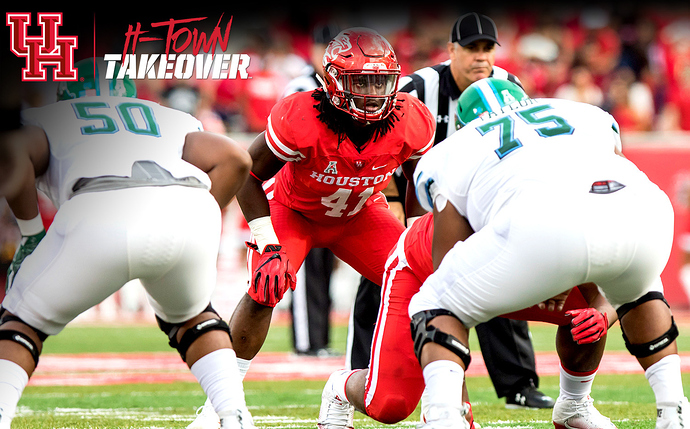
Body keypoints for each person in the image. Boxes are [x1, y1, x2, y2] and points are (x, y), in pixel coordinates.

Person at [187, 27, 436, 429]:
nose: (373, 92)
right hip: (295, 211)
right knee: (266, 285)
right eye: (361, 81)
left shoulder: (411, 118)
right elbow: (248, 174)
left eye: (380, 81)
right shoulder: (300, 114)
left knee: (425, 283)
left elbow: (418, 180)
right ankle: (220, 406)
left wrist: (414, 232)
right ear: (334, 81)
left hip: (359, 214)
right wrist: (267, 242)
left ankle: (434, 401)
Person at [410, 77, 688, 429]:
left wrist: (543, 270)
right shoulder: (583, 112)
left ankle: (444, 418)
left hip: (542, 227)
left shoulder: (454, 148)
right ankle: (674, 410)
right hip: (646, 210)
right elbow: (609, 190)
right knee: (640, 288)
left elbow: (450, 256)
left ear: (463, 123)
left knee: (434, 302)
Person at [0, 58, 255, 429]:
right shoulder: (165, 116)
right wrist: (193, 217)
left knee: (21, 323)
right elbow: (236, 157)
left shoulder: (51, 116)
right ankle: (234, 416)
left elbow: (14, 153)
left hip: (103, 204)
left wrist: (30, 232)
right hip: (189, 205)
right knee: (194, 319)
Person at [351, 12, 553, 408]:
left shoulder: (508, 87)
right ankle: (364, 371)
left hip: (477, 199)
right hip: (412, 195)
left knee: (500, 272)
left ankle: (519, 384)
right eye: (472, 48)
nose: (481, 57)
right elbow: (380, 149)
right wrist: (393, 202)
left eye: (487, 48)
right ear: (451, 50)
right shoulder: (415, 88)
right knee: (383, 271)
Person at [317, 211, 617, 429]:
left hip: (515, 278)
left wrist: (602, 315)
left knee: (586, 314)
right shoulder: (485, 215)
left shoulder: (582, 220)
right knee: (390, 404)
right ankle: (339, 387)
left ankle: (574, 404)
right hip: (426, 269)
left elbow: (624, 293)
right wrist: (451, 406)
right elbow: (444, 308)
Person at [281, 22, 341, 357]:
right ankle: (306, 343)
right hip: (301, 192)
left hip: (332, 190)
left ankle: (320, 341)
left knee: (324, 271)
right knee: (305, 272)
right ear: (316, 50)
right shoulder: (301, 87)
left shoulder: (343, 85)